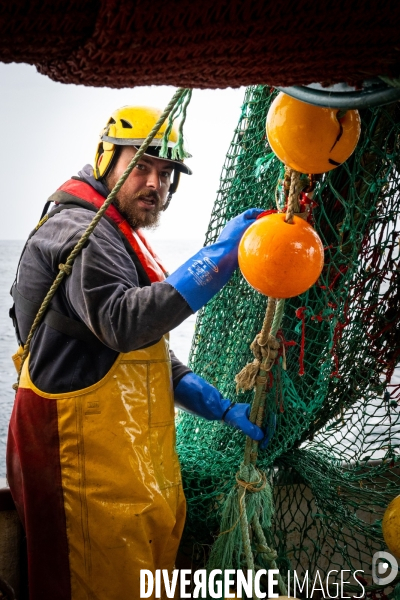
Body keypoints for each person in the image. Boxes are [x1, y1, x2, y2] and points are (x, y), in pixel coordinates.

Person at [7, 106, 264, 600]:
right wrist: (220, 256)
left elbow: (130, 347)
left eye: (166, 173)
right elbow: (124, 322)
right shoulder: (82, 233)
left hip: (123, 465)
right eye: (141, 166)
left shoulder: (115, 233)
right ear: (107, 158)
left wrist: (207, 398)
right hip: (77, 468)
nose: (155, 183)